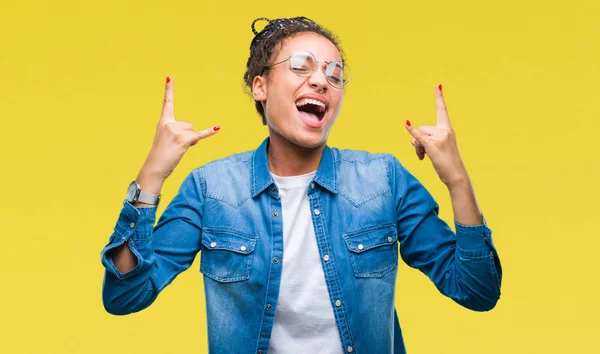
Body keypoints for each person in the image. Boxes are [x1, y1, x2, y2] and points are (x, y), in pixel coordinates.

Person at [100, 16, 502, 354]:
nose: (321, 81)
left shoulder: (383, 180)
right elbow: (124, 297)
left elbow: (476, 290)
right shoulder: (212, 189)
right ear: (260, 87)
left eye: (334, 73)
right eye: (300, 66)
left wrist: (456, 180)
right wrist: (151, 175)